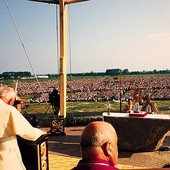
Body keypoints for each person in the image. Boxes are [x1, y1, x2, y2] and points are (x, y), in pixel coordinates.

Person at [0, 86, 44, 170]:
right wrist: (40, 132)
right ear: (11, 100)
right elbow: (28, 132)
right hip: (6, 150)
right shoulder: (9, 110)